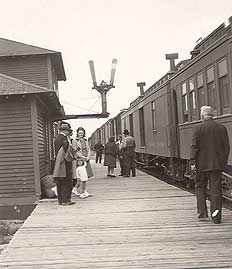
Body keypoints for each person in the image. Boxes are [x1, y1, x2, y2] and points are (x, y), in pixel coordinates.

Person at [190, 105, 230, 224]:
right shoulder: (221, 128)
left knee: (199, 187)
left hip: (200, 165)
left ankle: (202, 213)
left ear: (202, 116)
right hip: (216, 165)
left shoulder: (198, 128)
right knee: (216, 190)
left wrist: (192, 161)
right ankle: (216, 217)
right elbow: (226, 147)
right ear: (212, 115)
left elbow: (194, 147)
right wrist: (223, 162)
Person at [53, 122, 76, 206]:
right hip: (65, 163)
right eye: (68, 131)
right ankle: (66, 200)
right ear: (66, 131)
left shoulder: (57, 138)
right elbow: (66, 151)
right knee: (67, 181)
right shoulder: (64, 139)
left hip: (59, 163)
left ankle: (61, 200)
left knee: (60, 182)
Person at [72, 127, 93, 199]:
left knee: (85, 176)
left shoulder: (85, 141)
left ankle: (75, 189)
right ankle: (83, 192)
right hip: (80, 161)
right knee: (81, 177)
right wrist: (83, 157)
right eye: (80, 133)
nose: (81, 134)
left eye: (82, 133)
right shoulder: (75, 141)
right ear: (77, 133)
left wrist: (88, 156)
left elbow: (88, 149)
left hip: (86, 160)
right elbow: (75, 151)